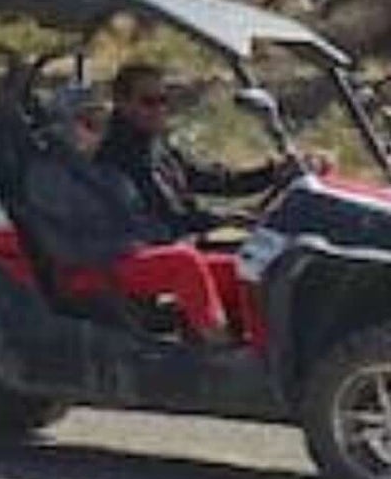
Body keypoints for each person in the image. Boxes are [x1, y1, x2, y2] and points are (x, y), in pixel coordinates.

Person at [27, 84, 234, 344]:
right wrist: (126, 246)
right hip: (91, 269)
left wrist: (164, 235)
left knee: (230, 268)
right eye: (90, 122)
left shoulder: (104, 170)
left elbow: (136, 217)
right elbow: (61, 246)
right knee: (184, 263)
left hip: (126, 256)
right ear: (63, 127)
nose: (100, 130)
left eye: (103, 122)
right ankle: (221, 351)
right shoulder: (48, 176)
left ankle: (257, 349)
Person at [96, 62, 298, 239]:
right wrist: (221, 218)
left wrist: (270, 173)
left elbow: (207, 179)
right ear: (122, 103)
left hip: (179, 246)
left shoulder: (155, 147)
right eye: (149, 101)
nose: (160, 109)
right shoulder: (119, 156)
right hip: (154, 258)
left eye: (163, 100)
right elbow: (162, 219)